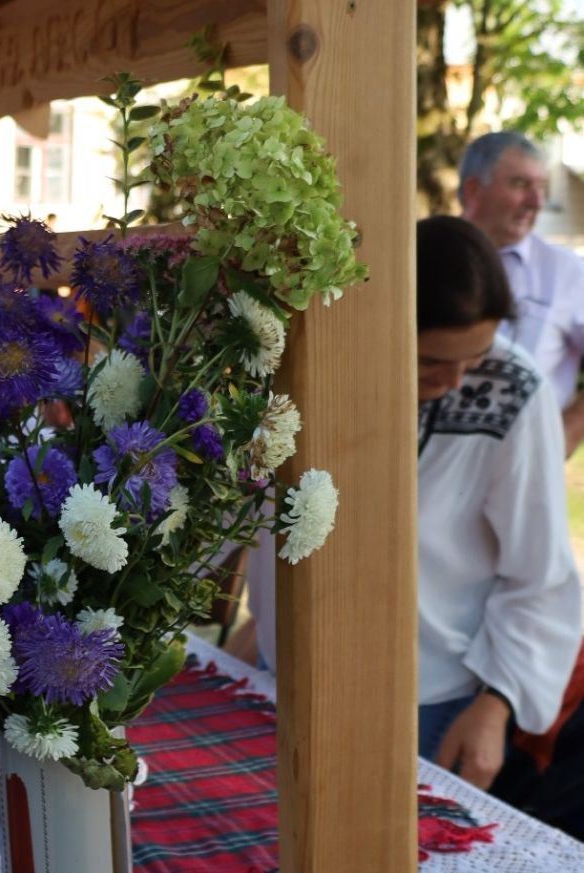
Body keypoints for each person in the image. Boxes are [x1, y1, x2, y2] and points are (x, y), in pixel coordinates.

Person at [245, 216, 581, 789]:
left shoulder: (514, 390)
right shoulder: (313, 361)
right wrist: (261, 624)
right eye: (432, 362)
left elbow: (540, 572)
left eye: (474, 359)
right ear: (387, 320)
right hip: (287, 675)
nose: (456, 382)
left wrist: (497, 703)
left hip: (431, 700)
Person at [459, 131, 584, 456]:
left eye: (541, 187)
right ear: (474, 190)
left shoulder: (568, 271)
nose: (537, 201)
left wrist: (568, 432)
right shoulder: (425, 257)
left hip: (525, 464)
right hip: (428, 467)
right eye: (520, 184)